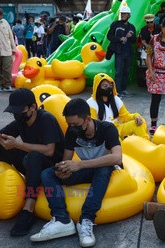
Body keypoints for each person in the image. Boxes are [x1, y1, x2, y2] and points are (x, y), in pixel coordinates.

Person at [30, 98, 122, 247]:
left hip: (104, 168)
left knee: (104, 169)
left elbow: (117, 158)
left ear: (87, 119)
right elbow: (67, 159)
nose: (72, 128)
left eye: (75, 124)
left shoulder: (107, 129)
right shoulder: (72, 132)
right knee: (48, 173)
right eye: (69, 124)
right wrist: (62, 169)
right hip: (85, 170)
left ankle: (86, 220)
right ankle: (61, 219)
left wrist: (80, 165)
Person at [0, 88, 64, 236]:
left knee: (34, 156)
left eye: (19, 110)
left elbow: (49, 151)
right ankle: (6, 186)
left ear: (33, 107)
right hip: (32, 164)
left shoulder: (46, 119)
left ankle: (28, 209)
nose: (16, 115)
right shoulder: (21, 120)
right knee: (2, 147)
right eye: (13, 111)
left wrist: (18, 144)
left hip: (52, 168)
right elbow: (0, 138)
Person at [87, 73, 149, 140]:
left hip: (117, 128)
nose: (109, 88)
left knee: (138, 124)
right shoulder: (91, 103)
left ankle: (148, 146)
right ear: (98, 87)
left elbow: (125, 117)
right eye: (105, 86)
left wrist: (135, 116)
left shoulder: (115, 99)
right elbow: (92, 127)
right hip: (104, 133)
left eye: (110, 85)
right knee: (115, 140)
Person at [106, 5, 136, 97]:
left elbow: (134, 40)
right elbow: (109, 36)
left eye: (125, 14)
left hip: (128, 52)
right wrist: (119, 39)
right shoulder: (115, 24)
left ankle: (123, 90)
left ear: (129, 15)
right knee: (118, 71)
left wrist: (131, 37)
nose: (123, 15)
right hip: (119, 52)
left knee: (126, 71)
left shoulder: (131, 27)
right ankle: (117, 91)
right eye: (122, 13)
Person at [0, 8, 16, 92]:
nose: (0, 17)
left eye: (1, 15)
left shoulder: (5, 22)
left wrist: (13, 47)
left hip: (6, 49)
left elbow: (11, 36)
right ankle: (0, 85)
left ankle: (8, 85)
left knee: (7, 68)